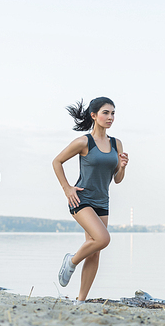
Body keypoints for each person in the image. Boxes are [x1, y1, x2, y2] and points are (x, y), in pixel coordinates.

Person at [52, 97, 128, 304]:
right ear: (94, 115)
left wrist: (122, 166)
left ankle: (80, 301)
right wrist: (67, 188)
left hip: (103, 201)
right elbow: (57, 161)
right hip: (81, 199)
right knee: (103, 239)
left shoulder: (116, 143)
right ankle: (72, 260)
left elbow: (118, 180)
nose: (110, 117)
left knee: (95, 252)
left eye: (113, 113)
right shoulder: (84, 142)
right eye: (106, 112)